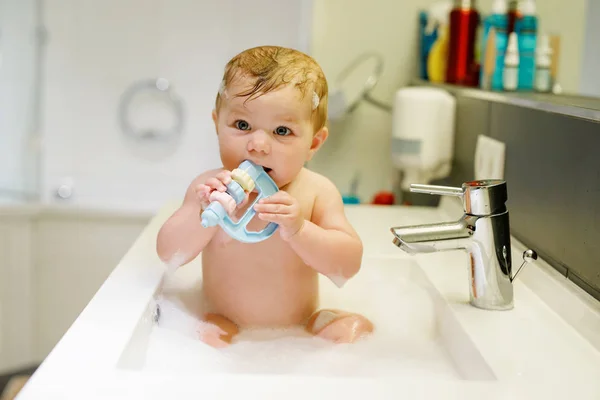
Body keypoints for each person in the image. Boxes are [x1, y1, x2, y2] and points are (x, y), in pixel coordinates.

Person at [156, 45, 373, 347]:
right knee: (204, 338)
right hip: (223, 320)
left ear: (314, 142)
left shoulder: (316, 193)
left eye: (282, 131)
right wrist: (201, 213)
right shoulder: (208, 188)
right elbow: (169, 253)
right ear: (217, 124)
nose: (257, 144)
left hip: (299, 324)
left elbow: (348, 264)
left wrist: (300, 229)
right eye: (242, 125)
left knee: (357, 329)